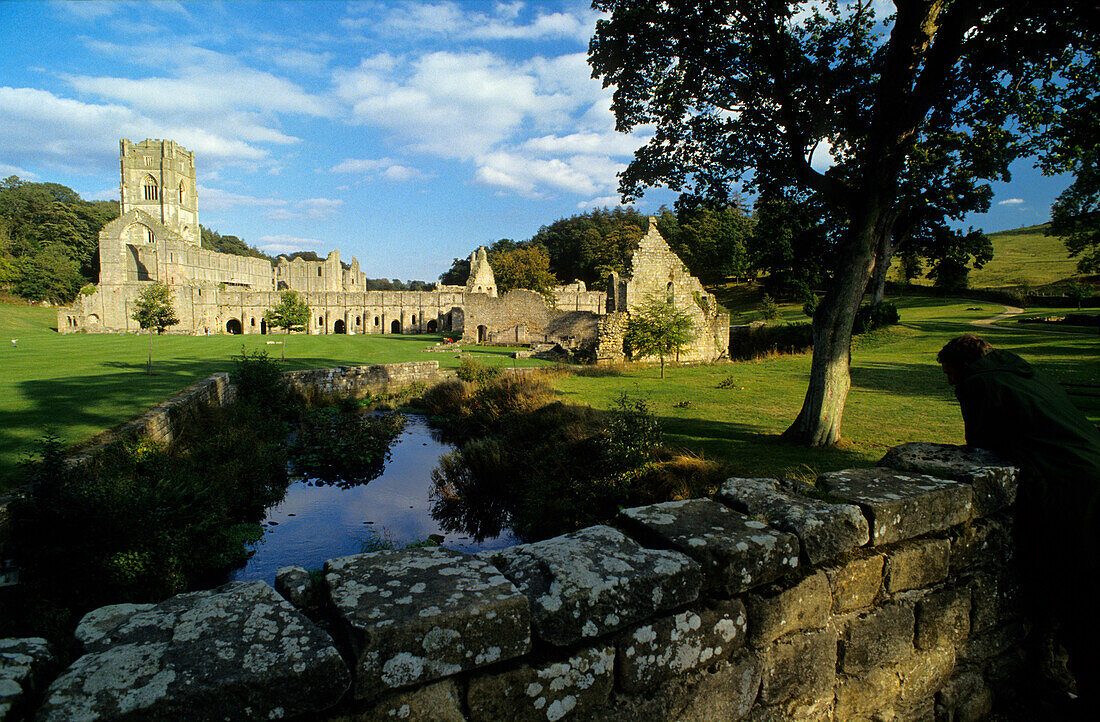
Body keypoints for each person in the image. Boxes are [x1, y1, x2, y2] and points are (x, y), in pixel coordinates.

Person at [938, 334, 1100, 713]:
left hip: (1071, 488)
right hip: (1090, 469)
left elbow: (980, 440)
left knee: (1081, 594)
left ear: (961, 366)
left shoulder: (978, 383)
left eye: (949, 373)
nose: (949, 383)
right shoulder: (1026, 373)